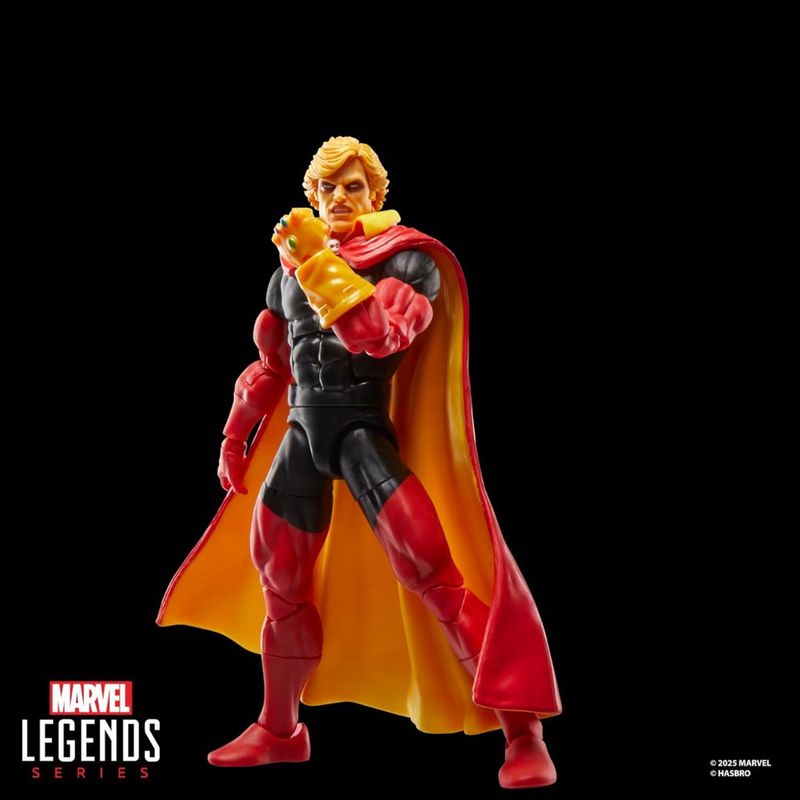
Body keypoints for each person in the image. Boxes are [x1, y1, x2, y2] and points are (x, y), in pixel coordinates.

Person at [158, 136, 561, 789]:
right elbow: (270, 368)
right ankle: (280, 730)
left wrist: (317, 261)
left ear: (376, 195)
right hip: (303, 434)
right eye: (327, 188)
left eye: (352, 186)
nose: (339, 198)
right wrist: (233, 437)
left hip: (363, 432)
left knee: (433, 575)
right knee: (281, 586)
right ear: (312, 196)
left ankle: (522, 733)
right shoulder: (289, 274)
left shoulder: (407, 262)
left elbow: (377, 336)